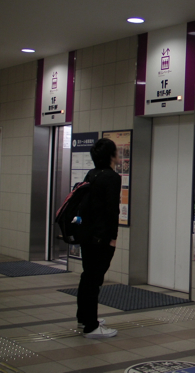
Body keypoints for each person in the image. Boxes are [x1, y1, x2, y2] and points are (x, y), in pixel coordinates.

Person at [76, 138, 121, 338]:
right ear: (111, 155)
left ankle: (84, 318)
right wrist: (113, 237)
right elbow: (112, 210)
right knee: (94, 280)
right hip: (101, 238)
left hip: (86, 234)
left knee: (87, 277)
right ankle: (91, 327)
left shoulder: (91, 174)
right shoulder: (112, 177)